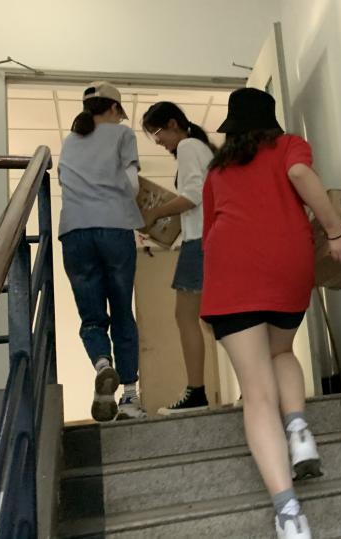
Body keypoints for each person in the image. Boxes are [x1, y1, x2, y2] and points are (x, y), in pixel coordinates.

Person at [201, 88, 341, 539]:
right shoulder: (289, 144)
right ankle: (300, 431)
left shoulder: (217, 170)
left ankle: (290, 515)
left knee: (256, 393)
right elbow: (299, 173)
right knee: (282, 351)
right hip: (287, 264)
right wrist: (336, 230)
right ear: (271, 122)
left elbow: (209, 233)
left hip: (232, 270)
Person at [58, 81, 146, 421]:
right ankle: (129, 397)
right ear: (113, 108)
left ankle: (101, 364)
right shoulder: (122, 134)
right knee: (122, 311)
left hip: (75, 232)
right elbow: (132, 185)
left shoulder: (69, 141)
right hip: (114, 228)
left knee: (92, 316)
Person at [141, 102, 215, 415]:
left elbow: (193, 196)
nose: (158, 140)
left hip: (198, 242)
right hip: (207, 239)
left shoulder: (187, 146)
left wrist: (155, 212)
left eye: (157, 132)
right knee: (213, 320)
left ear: (174, 124)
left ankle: (196, 393)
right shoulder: (202, 148)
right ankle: (252, 380)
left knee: (185, 317)